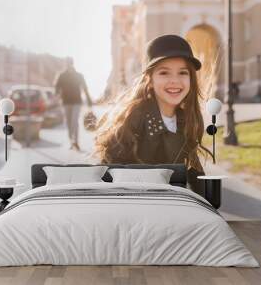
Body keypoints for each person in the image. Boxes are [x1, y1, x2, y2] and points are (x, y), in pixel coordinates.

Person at [94, 35, 213, 196]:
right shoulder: (133, 121)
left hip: (171, 210)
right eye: (164, 73)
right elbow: (106, 178)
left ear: (191, 79)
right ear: (149, 80)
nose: (175, 81)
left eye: (183, 73)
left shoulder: (184, 120)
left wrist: (208, 204)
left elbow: (194, 171)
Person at [55, 57, 93, 151]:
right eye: (67, 63)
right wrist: (57, 93)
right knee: (68, 123)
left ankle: (75, 141)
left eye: (70, 63)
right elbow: (57, 87)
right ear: (65, 64)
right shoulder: (62, 75)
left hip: (76, 102)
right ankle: (71, 141)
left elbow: (85, 88)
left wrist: (89, 100)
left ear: (72, 64)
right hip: (66, 102)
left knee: (74, 121)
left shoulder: (79, 75)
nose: (68, 65)